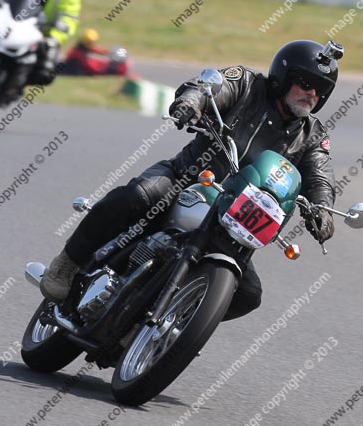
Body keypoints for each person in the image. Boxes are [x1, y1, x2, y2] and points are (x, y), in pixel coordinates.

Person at [40, 39, 343, 320]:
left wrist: (323, 211)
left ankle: (176, 324)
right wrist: (192, 103)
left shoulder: (312, 136)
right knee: (136, 198)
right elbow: (209, 87)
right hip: (187, 180)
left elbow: (320, 176)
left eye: (321, 89)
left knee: (248, 295)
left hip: (235, 218)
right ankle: (68, 263)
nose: (312, 94)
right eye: (306, 83)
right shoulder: (248, 85)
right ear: (283, 75)